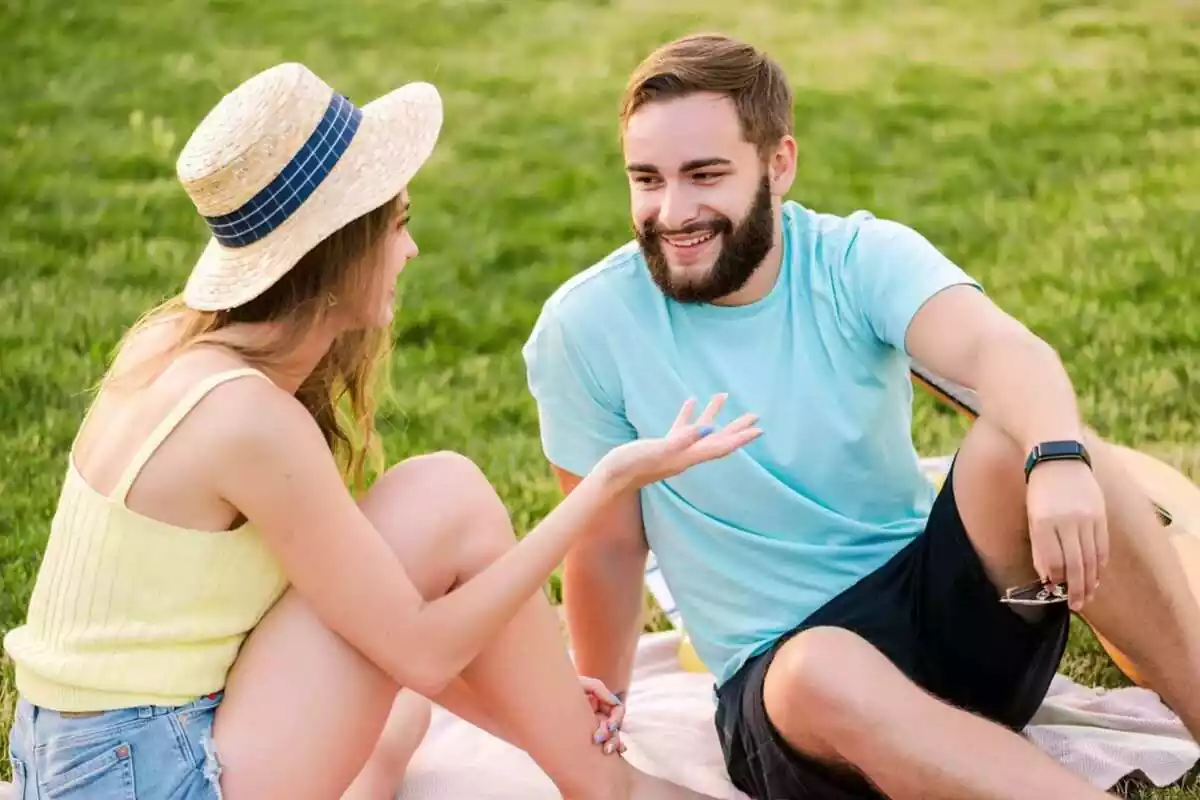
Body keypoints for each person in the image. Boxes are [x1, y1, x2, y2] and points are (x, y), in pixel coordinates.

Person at [2, 62, 760, 800]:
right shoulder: (246, 418)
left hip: (85, 753)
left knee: (402, 711)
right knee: (446, 497)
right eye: (398, 225)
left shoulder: (174, 348)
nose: (411, 250)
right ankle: (606, 786)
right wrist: (605, 485)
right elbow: (423, 649)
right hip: (147, 772)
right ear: (339, 250)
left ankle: (589, 769)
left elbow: (381, 632)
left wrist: (543, 712)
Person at [522, 32, 1200, 800]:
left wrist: (1058, 462)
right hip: (789, 695)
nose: (672, 212)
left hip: (944, 621)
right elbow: (607, 546)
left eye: (704, 175)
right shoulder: (585, 327)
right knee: (821, 666)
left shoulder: (854, 259)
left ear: (779, 164)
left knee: (1052, 438)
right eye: (647, 180)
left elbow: (1003, 351)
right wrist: (599, 705)